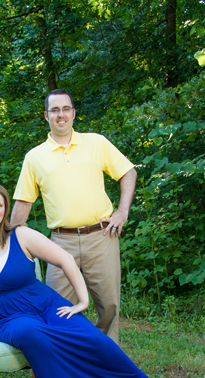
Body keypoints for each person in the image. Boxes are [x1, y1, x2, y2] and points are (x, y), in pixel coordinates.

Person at [0, 182, 169, 378]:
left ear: (5, 208)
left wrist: (82, 299)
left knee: (90, 335)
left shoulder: (20, 235)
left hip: (45, 304)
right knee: (35, 336)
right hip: (6, 319)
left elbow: (65, 258)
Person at [10, 89, 137, 344]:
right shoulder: (34, 157)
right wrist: (6, 241)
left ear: (73, 113)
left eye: (66, 109)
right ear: (46, 115)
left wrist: (122, 211)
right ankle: (67, 366)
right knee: (56, 308)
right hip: (60, 243)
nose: (61, 114)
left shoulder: (96, 142)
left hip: (102, 236)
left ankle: (106, 364)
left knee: (109, 305)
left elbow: (128, 171)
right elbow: (23, 203)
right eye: (55, 110)